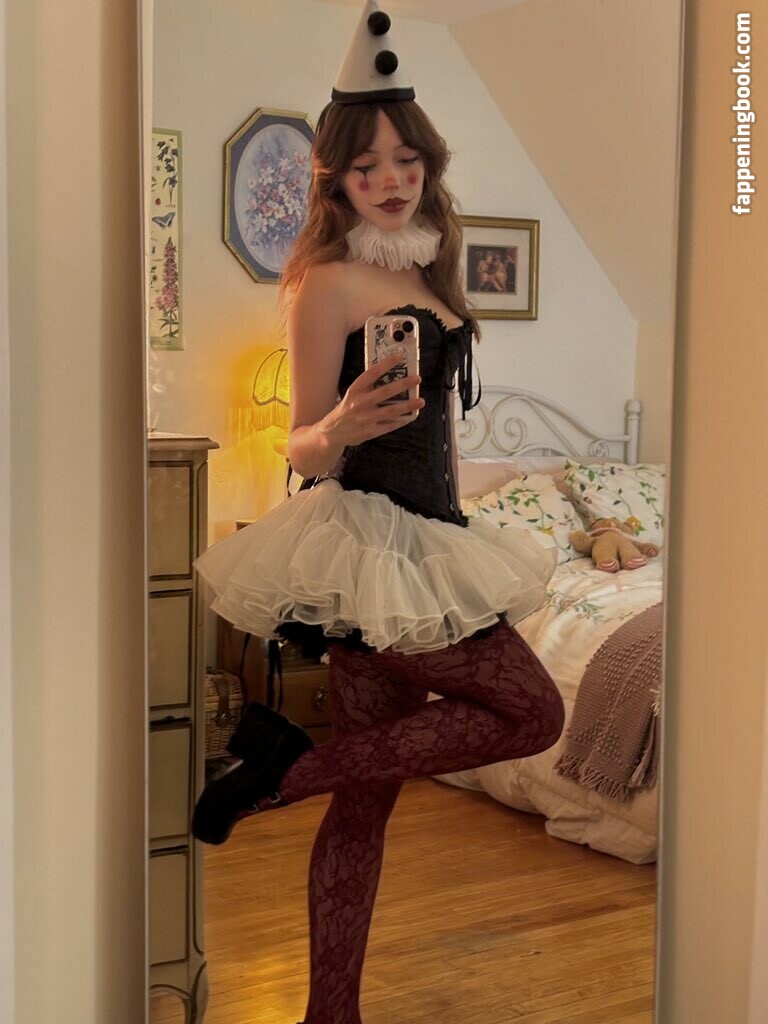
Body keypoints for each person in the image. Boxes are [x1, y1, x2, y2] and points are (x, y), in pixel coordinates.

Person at [191, 4, 565, 1023]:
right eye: (367, 166)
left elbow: (443, 430)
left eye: (406, 158)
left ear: (427, 163)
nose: (392, 178)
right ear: (338, 179)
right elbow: (301, 446)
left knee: (364, 804)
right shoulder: (324, 281)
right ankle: (283, 771)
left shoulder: (427, 267)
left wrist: (454, 516)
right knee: (535, 711)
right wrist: (345, 420)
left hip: (432, 540)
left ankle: (330, 1010)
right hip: (363, 540)